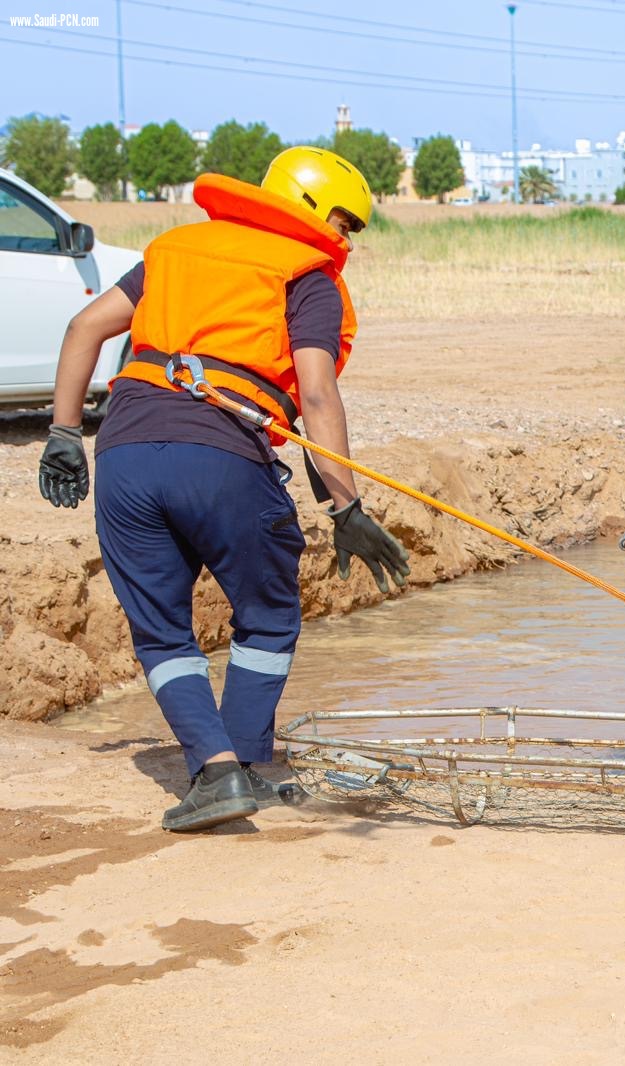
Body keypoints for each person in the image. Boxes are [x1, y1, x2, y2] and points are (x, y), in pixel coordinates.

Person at [37, 147, 411, 832]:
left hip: (124, 454)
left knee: (160, 630)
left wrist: (63, 435)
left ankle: (215, 773)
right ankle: (246, 768)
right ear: (309, 204)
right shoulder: (307, 275)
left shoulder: (175, 247)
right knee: (267, 616)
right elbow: (319, 392)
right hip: (220, 457)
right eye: (346, 220)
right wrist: (345, 504)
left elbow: (84, 328)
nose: (348, 236)